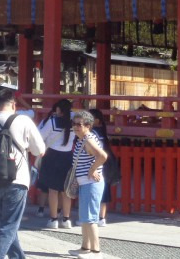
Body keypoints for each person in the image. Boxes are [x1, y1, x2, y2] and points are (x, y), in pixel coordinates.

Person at [0, 86, 46, 259]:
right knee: (9, 225)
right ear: (13, 105)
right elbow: (39, 150)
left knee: (7, 223)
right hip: (18, 180)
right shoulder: (23, 121)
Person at [70, 110, 108, 258]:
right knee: (85, 217)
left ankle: (96, 251)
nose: (75, 127)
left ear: (88, 126)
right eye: (74, 124)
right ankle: (85, 247)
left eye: (79, 124)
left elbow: (102, 156)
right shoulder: (83, 139)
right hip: (86, 183)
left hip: (91, 183)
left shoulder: (88, 139)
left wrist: (92, 169)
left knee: (91, 218)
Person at [37, 98, 75, 228]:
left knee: (53, 190)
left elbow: (40, 137)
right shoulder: (74, 123)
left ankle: (53, 219)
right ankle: (66, 219)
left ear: (59, 109)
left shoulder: (52, 122)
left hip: (52, 156)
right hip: (68, 156)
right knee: (66, 190)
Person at [89, 108, 114, 226]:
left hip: (95, 164)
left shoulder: (92, 133)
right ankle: (101, 217)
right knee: (104, 191)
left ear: (97, 120)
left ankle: (92, 216)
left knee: (92, 190)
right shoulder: (102, 131)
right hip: (105, 165)